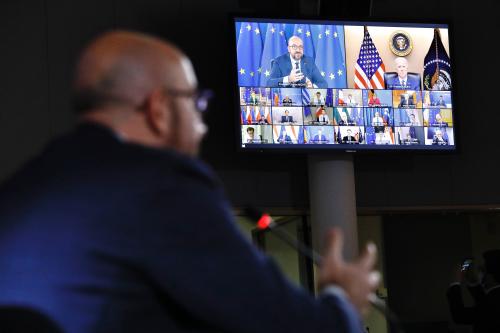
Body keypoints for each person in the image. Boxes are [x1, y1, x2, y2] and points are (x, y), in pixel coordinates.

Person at [0, 31, 380, 333]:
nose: (203, 124)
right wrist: (342, 300)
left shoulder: (22, 186)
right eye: (195, 102)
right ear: (159, 109)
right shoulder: (160, 184)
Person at [447, 250, 500, 333]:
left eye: (482, 270)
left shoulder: (494, 302)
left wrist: (455, 282)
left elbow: (460, 316)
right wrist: (472, 281)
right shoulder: (494, 297)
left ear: (491, 276)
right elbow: (484, 307)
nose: (479, 272)